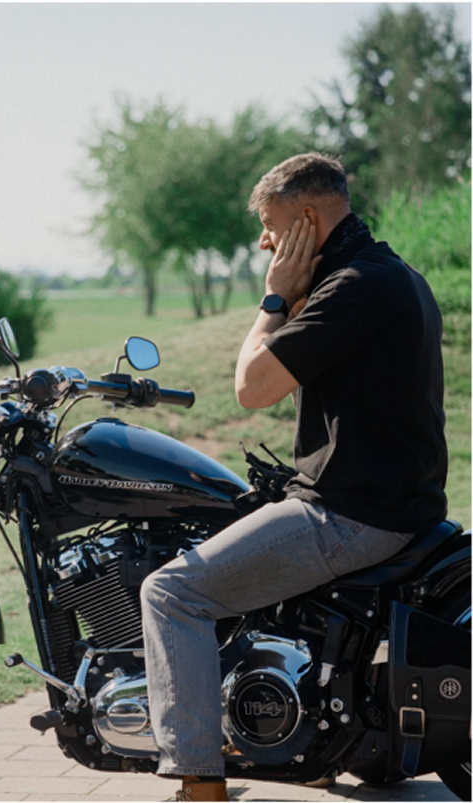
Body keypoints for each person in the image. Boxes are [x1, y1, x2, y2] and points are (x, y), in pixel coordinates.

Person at [139, 153, 447, 803]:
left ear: (307, 217)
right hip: (391, 503)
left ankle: (198, 783)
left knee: (172, 592)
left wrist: (274, 292)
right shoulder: (389, 274)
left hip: (351, 514)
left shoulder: (353, 287)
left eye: (270, 225)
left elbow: (251, 388)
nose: (261, 242)